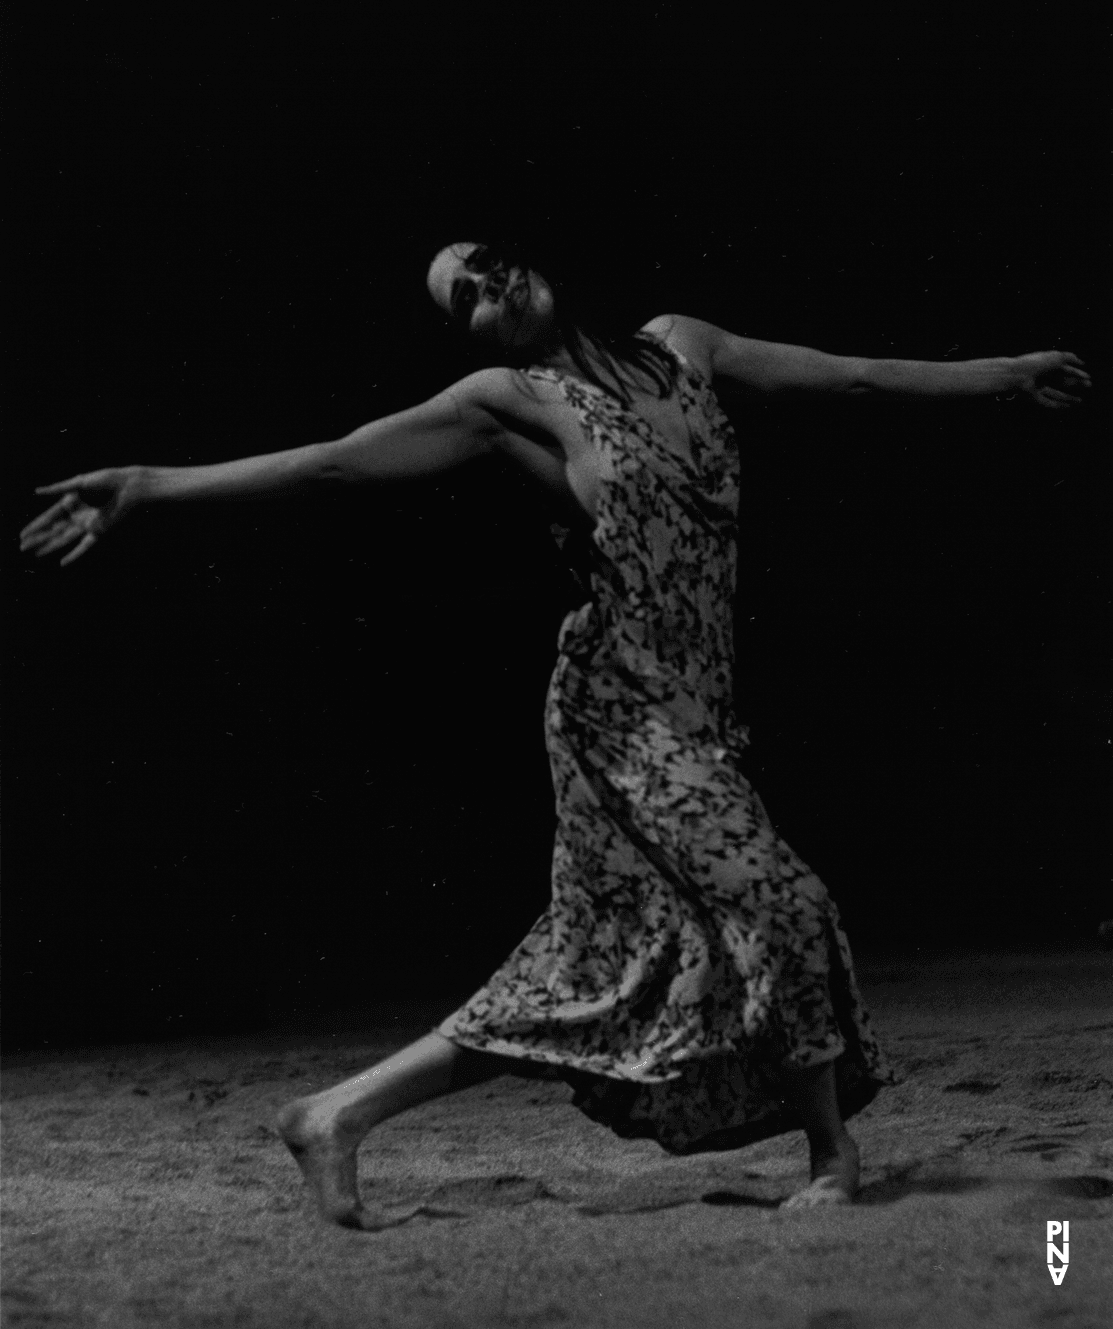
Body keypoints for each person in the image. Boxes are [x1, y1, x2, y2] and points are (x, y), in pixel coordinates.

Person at [20, 241, 1091, 1226]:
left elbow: (849, 374)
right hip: (615, 706)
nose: (492, 286)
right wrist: (154, 485)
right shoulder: (511, 401)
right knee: (780, 897)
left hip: (697, 706)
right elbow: (334, 461)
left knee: (591, 965)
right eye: (467, 297)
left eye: (490, 265)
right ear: (472, 336)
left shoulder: (684, 345)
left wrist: (996, 374)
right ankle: (830, 1158)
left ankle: (334, 1114)